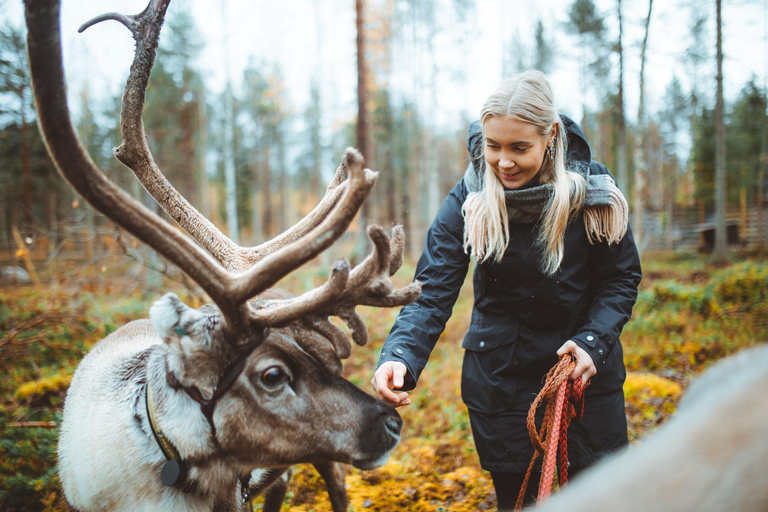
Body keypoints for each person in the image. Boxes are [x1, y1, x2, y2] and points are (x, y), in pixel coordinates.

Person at [370, 71, 642, 511]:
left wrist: (593, 342)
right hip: (502, 380)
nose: (503, 162)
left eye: (520, 148)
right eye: (494, 146)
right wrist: (399, 355)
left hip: (586, 377)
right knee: (521, 501)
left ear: (550, 136)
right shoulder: (469, 197)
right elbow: (434, 288)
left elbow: (620, 279)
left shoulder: (595, 193)